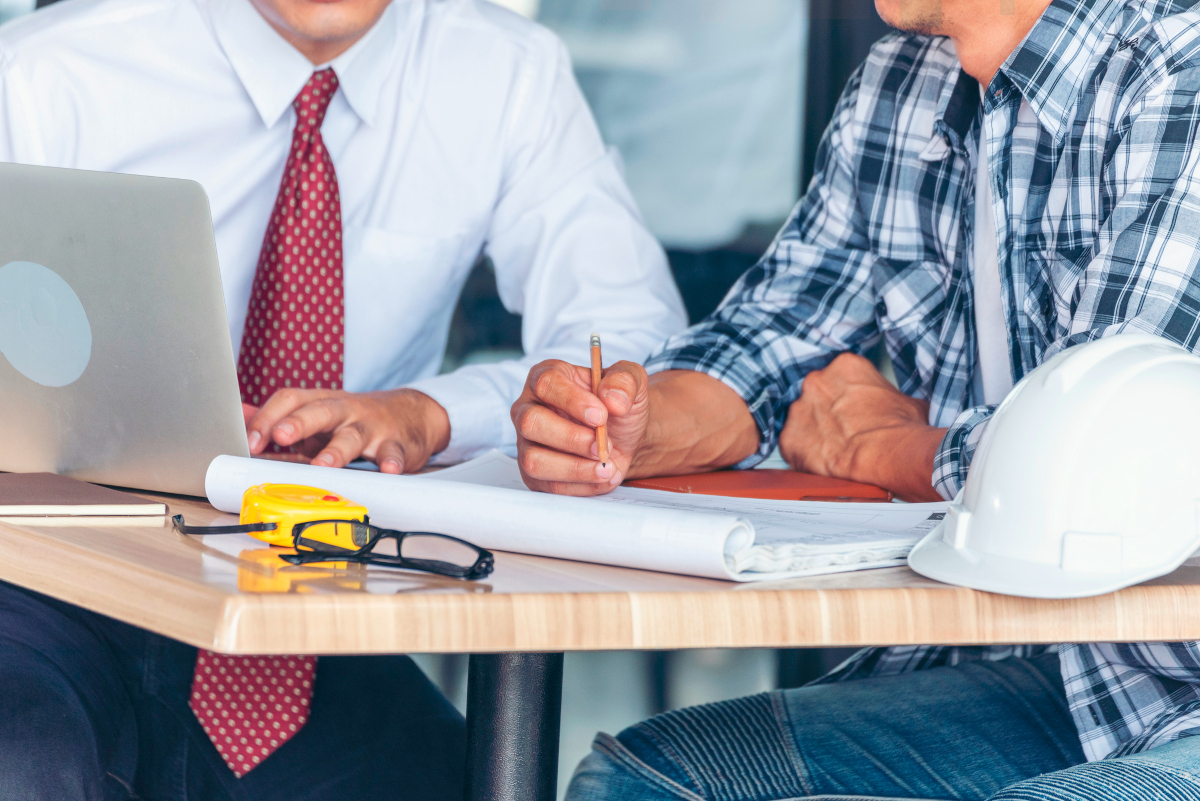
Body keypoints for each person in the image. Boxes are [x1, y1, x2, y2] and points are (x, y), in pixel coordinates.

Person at [512, 0, 1200, 796]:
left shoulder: (1179, 68)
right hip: (1048, 673)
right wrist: (627, 423)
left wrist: (885, 450)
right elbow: (768, 341)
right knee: (645, 780)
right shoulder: (899, 82)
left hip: (1179, 677)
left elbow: (1100, 471)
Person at [0, 0, 684, 797]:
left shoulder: (505, 73)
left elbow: (636, 339)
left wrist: (429, 413)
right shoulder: (45, 70)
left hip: (311, 606)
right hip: (58, 588)